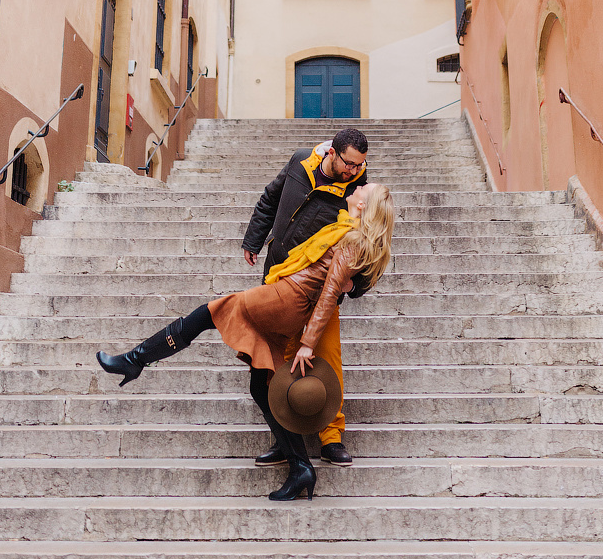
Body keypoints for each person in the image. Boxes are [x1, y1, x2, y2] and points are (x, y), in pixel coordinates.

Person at [97, 182, 394, 503]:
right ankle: (300, 467)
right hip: (287, 298)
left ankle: (136, 359)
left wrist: (308, 343)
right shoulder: (344, 229)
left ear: (364, 206)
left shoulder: (350, 240)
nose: (360, 186)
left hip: (285, 300)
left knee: (209, 313)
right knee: (261, 386)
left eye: (367, 188)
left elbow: (330, 293)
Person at [241, 126, 369, 467]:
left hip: (322, 287)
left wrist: (356, 284)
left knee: (328, 356)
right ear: (331, 152)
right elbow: (270, 198)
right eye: (348, 164)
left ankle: (331, 438)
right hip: (281, 277)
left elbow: (369, 244)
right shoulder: (300, 162)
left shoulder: (358, 190)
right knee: (277, 360)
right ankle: (285, 438)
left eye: (360, 165)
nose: (353, 171)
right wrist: (254, 240)